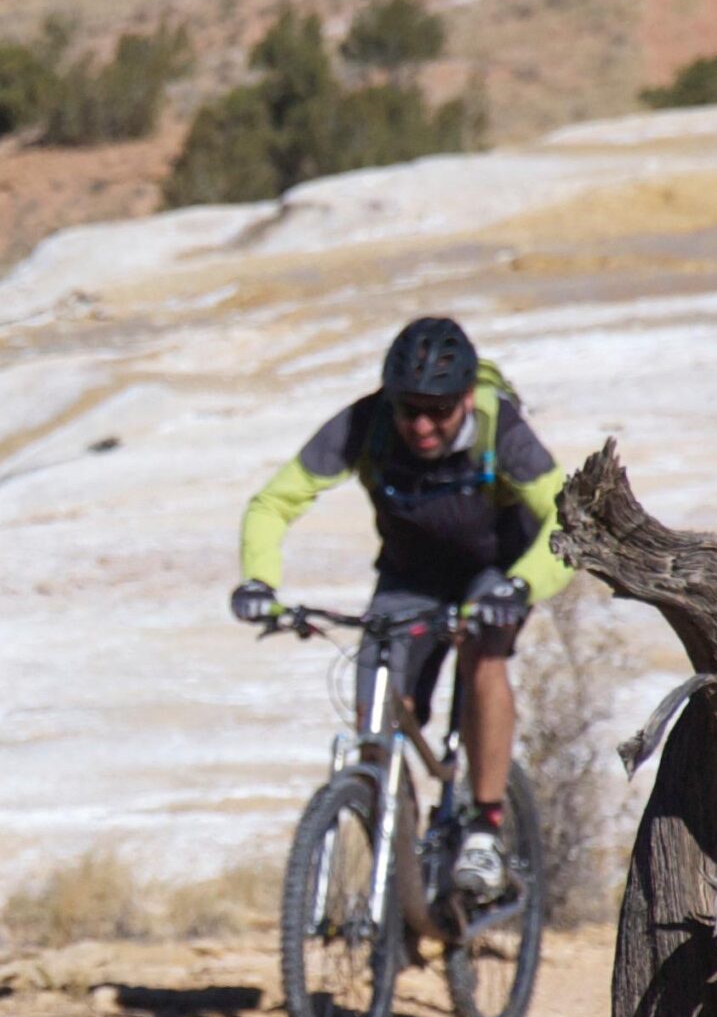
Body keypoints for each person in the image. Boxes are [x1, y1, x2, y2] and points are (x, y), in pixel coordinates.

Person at [230, 317, 571, 901]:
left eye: (437, 411)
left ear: (466, 398)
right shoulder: (365, 424)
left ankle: (485, 828)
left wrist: (520, 588)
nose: (420, 425)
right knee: (377, 720)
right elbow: (274, 502)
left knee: (484, 657)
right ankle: (404, 874)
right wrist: (260, 581)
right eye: (407, 409)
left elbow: (565, 517)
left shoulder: (500, 428)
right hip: (408, 577)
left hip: (494, 574)